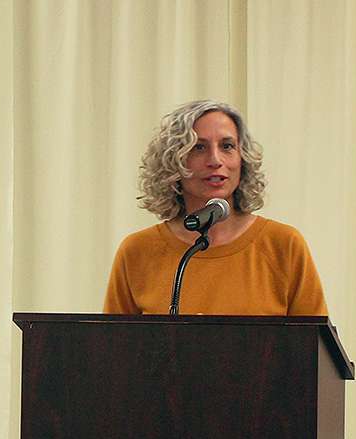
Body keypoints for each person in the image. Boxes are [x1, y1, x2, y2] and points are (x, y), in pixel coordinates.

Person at [104, 99, 329, 316]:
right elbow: (112, 348)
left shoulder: (284, 245)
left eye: (227, 146)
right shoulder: (137, 251)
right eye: (199, 147)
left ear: (243, 159)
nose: (215, 160)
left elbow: (314, 349)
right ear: (173, 161)